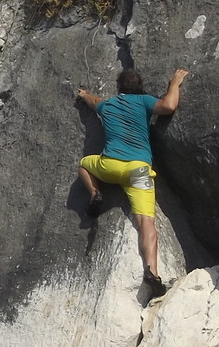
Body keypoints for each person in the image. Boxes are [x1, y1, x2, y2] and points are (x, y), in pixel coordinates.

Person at [76, 67, 187, 298]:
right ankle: (152, 273)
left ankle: (95, 193)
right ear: (140, 87)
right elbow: (168, 106)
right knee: (146, 221)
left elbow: (93, 102)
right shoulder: (144, 102)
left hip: (110, 166)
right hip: (138, 170)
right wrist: (175, 83)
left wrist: (84, 95)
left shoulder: (108, 104)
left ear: (119, 87)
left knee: (84, 164)